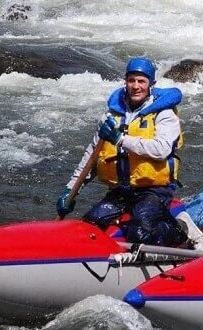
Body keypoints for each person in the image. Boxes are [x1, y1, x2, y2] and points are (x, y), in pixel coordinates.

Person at [55, 57, 189, 246]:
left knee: (140, 234)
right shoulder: (111, 115)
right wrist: (70, 190)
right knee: (89, 227)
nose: (136, 86)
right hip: (121, 190)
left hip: (154, 190)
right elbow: (92, 155)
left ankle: (180, 235)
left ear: (151, 84)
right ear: (125, 82)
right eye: (131, 80)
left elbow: (161, 149)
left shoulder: (165, 114)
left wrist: (121, 139)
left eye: (141, 81)